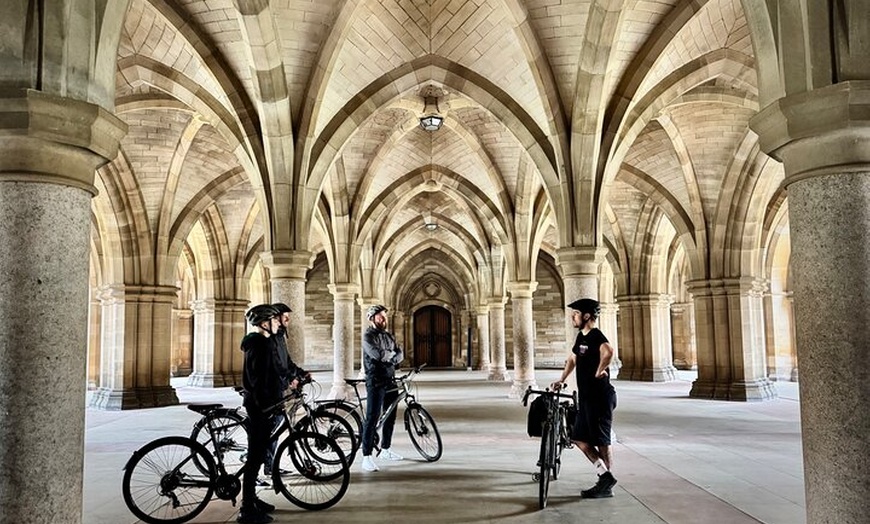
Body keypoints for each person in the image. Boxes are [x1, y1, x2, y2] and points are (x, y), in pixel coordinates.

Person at [550, 298, 618, 499]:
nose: (573, 316)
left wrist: (599, 370)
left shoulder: (596, 336)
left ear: (587, 316)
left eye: (576, 313)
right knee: (578, 438)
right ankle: (605, 475)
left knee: (602, 441)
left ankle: (606, 484)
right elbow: (573, 359)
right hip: (587, 398)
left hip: (600, 397)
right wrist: (562, 379)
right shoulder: (582, 337)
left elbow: (609, 351)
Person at [238, 304, 282, 524]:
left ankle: (252, 499)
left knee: (258, 453)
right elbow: (257, 380)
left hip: (264, 405)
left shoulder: (262, 343)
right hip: (259, 408)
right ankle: (247, 508)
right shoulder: (258, 345)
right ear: (264, 323)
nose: (278, 323)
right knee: (255, 457)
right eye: (274, 320)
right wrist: (265, 404)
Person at [263, 302, 309, 476]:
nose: (288, 318)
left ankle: (270, 464)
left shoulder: (280, 336)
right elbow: (275, 365)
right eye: (284, 316)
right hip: (270, 389)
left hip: (278, 387)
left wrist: (300, 373)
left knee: (275, 426)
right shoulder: (271, 339)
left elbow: (286, 362)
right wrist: (290, 378)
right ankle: (268, 466)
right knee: (272, 429)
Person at [359, 304, 405, 472]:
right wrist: (390, 355)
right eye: (380, 316)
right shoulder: (367, 336)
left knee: (390, 417)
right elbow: (377, 355)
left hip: (389, 379)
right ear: (372, 318)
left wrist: (390, 357)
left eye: (384, 316)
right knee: (372, 417)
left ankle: (385, 449)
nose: (384, 318)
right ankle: (366, 457)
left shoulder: (388, 336)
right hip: (375, 380)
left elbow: (400, 353)